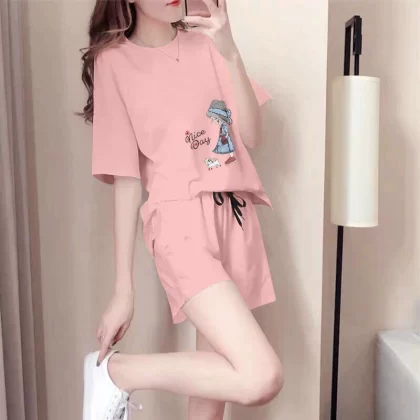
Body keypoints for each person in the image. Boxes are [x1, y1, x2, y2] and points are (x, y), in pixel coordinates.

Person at [79, 0, 284, 419]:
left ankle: (119, 374)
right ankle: (118, 372)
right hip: (179, 224)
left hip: (236, 220)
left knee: (210, 404)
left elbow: (252, 136)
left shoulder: (207, 45)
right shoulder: (114, 62)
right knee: (261, 375)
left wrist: (230, 52)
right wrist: (123, 289)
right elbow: (126, 179)